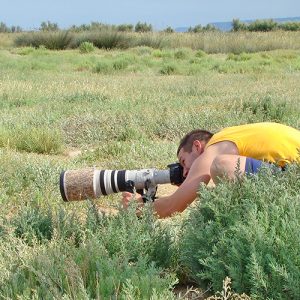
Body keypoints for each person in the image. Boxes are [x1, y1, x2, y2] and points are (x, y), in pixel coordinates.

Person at [122, 122, 300, 218]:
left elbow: (174, 206)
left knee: (222, 165)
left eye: (183, 161)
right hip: (291, 172)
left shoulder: (215, 146)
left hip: (293, 173)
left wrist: (137, 209)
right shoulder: (230, 137)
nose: (184, 172)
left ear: (197, 146)